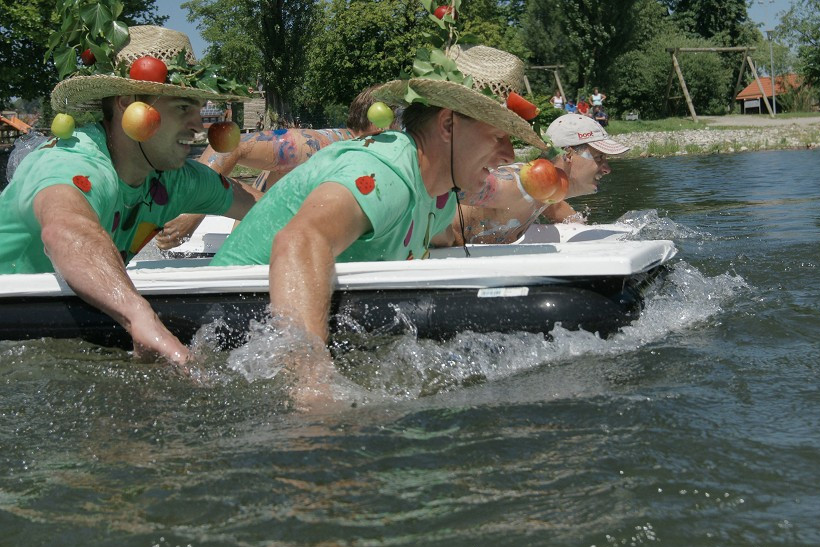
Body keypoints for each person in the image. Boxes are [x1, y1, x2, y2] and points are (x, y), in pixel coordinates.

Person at [209, 46, 545, 377]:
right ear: (448, 125)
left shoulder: (440, 193)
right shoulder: (383, 172)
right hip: (223, 328)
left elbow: (441, 235)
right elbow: (300, 240)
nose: (509, 155)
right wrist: (313, 386)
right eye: (499, 136)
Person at [0, 26, 259, 364]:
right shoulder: (71, 163)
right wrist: (139, 314)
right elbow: (66, 229)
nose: (199, 126)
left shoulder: (174, 179)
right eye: (183, 108)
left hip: (58, 337)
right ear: (127, 105)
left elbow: (264, 208)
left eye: (198, 108)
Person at [154, 86, 402, 250]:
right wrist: (194, 211)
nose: (402, 132)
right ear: (378, 122)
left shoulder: (358, 152)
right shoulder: (320, 144)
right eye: (399, 123)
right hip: (254, 257)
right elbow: (232, 144)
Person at [433, 112, 629, 246]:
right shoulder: (520, 185)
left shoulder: (547, 194)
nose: (607, 169)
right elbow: (447, 188)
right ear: (569, 155)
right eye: (599, 158)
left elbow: (565, 215)